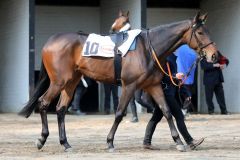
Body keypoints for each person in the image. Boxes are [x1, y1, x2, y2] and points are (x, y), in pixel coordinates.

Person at [143, 53, 204, 151]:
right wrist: (176, 75)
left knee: (155, 118)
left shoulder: (170, 56)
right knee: (179, 116)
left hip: (167, 93)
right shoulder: (165, 57)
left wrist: (186, 93)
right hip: (166, 94)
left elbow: (176, 80)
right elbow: (162, 76)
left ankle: (146, 142)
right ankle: (190, 142)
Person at [175, 44, 198, 114]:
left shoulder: (178, 48)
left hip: (178, 77)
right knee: (188, 96)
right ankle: (183, 110)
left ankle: (182, 111)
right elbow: (195, 64)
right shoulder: (193, 52)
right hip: (187, 78)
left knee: (178, 95)